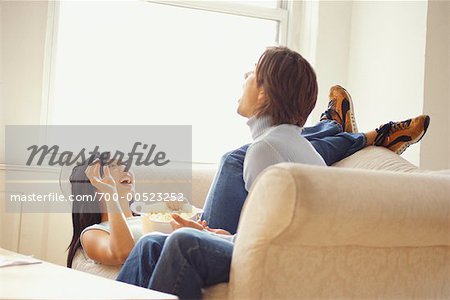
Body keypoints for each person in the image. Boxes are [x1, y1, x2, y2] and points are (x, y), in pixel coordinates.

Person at [115, 46, 430, 299]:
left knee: (184, 242)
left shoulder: (264, 150)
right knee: (150, 244)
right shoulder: (290, 144)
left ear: (264, 95)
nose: (244, 76)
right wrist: (218, 234)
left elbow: (274, 243)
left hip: (285, 261)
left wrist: (207, 236)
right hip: (280, 250)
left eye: (252, 73)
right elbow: (270, 228)